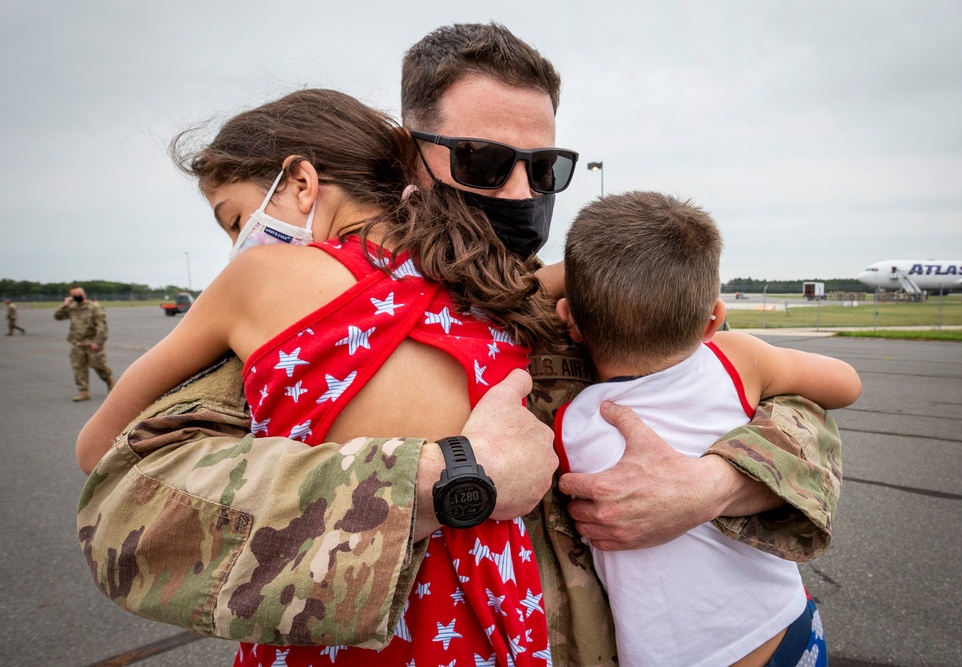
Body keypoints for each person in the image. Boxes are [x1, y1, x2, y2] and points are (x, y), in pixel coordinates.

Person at [76, 23, 842, 665]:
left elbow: (768, 391)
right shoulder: (302, 310)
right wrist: (445, 478)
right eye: (483, 162)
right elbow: (128, 500)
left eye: (545, 170)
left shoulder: (557, 299)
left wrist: (714, 482)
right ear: (413, 159)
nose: (519, 193)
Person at [78, 88, 565, 665]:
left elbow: (100, 446)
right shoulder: (488, 287)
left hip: (346, 619)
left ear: (301, 182)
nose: (238, 244)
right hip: (491, 620)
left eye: (237, 219)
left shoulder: (260, 276)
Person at [554, 192, 861, 666]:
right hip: (788, 628)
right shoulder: (736, 361)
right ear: (713, 319)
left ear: (568, 320)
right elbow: (845, 383)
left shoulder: (570, 424)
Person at [54, 286, 114, 401]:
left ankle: (110, 383)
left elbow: (102, 326)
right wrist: (65, 304)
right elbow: (57, 316)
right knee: (79, 368)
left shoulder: (94, 307)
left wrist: (97, 342)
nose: (77, 296)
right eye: (74, 295)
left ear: (84, 294)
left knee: (99, 366)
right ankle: (83, 391)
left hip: (92, 343)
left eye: (78, 294)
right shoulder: (71, 308)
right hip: (77, 344)